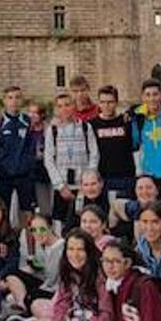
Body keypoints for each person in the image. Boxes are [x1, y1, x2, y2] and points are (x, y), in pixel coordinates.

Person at [25, 231, 108, 321]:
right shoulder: (68, 271)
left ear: (89, 252)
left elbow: (106, 316)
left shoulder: (100, 275)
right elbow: (62, 303)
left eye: (80, 250)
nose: (75, 255)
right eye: (71, 249)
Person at [45, 93, 100, 230]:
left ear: (74, 106)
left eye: (67, 105)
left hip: (83, 186)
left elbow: (94, 154)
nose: (64, 109)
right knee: (60, 224)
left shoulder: (86, 128)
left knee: (84, 220)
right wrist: (60, 186)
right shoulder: (52, 130)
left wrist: (88, 181)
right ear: (56, 109)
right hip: (62, 186)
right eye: (60, 106)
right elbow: (49, 159)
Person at [5, 212, 64, 321]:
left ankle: (33, 319)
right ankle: (23, 305)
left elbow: (53, 279)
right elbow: (42, 271)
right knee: (12, 274)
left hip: (54, 289)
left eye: (42, 229)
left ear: (51, 227)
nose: (38, 233)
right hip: (45, 283)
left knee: (33, 297)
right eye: (34, 230)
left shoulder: (60, 248)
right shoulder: (43, 246)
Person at [0, 86, 40, 224]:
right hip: (4, 177)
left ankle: (32, 244)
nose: (14, 101)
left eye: (17, 97)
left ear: (22, 100)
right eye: (10, 98)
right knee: (2, 213)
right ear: (4, 101)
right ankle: (5, 243)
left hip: (25, 176)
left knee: (29, 214)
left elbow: (34, 146)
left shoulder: (28, 121)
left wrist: (29, 165)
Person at [90, 86, 136, 204]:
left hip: (125, 176)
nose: (106, 106)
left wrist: (131, 111)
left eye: (110, 102)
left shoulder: (125, 121)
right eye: (103, 102)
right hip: (102, 177)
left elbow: (141, 108)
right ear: (98, 103)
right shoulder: (92, 125)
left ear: (116, 102)